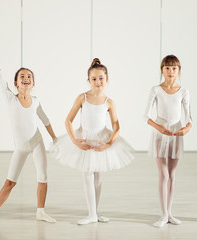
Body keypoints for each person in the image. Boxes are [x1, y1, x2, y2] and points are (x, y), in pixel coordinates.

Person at [0, 40, 56, 224]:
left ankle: (41, 211)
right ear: (16, 83)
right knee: (10, 181)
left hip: (36, 142)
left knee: (42, 177)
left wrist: (54, 138)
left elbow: (45, 120)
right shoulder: (10, 98)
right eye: (22, 76)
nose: (25, 78)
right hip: (20, 147)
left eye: (29, 76)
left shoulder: (36, 101)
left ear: (33, 82)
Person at [51, 58, 134, 225]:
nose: (98, 82)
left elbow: (116, 126)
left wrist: (109, 143)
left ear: (107, 79)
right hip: (85, 139)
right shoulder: (82, 98)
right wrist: (75, 141)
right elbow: (68, 121)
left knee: (98, 176)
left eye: (101, 78)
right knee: (88, 174)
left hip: (101, 140)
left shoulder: (109, 102)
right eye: (94, 79)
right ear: (88, 80)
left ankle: (94, 212)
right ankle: (91, 214)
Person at [144, 55, 192, 228]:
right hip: (160, 134)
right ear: (162, 70)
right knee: (163, 174)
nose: (171, 71)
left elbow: (189, 119)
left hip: (175, 134)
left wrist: (185, 129)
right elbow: (146, 116)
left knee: (172, 175)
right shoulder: (155, 90)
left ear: (179, 71)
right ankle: (163, 214)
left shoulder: (184, 91)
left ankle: (170, 213)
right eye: (167, 68)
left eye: (174, 68)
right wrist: (159, 128)